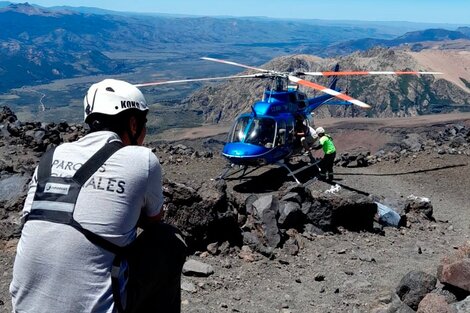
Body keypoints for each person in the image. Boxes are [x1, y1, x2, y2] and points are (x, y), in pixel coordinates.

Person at [10, 79, 187, 313]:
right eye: (144, 124)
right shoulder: (142, 159)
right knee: (168, 239)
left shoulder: (51, 157)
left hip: (24, 307)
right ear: (133, 124)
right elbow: (154, 221)